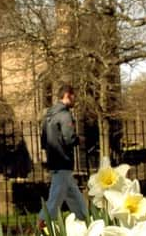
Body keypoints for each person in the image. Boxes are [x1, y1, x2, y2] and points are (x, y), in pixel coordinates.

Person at [39, 84, 88, 225]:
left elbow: (43, 141)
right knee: (54, 199)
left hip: (54, 161)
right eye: (74, 96)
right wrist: (80, 139)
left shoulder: (48, 116)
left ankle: (85, 222)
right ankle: (42, 223)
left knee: (74, 196)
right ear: (67, 95)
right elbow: (69, 138)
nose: (75, 99)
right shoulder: (65, 115)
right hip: (63, 161)